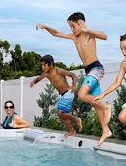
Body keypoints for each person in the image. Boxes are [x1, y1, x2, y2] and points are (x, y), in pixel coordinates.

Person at [36, 12, 112, 145]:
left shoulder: (89, 34)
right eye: (70, 27)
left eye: (73, 26)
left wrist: (87, 29)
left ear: (81, 24)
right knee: (95, 103)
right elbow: (56, 33)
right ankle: (106, 130)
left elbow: (105, 36)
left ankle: (106, 107)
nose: (72, 29)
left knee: (82, 95)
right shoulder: (74, 37)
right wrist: (45, 27)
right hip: (88, 70)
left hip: (96, 68)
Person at [30, 55, 83, 137]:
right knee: (61, 115)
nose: (42, 67)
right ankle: (72, 130)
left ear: (50, 65)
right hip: (61, 95)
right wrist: (33, 82)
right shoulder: (46, 74)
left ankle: (77, 120)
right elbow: (39, 78)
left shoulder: (58, 71)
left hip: (68, 93)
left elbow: (73, 75)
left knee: (60, 113)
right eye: (42, 65)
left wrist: (74, 86)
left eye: (44, 65)